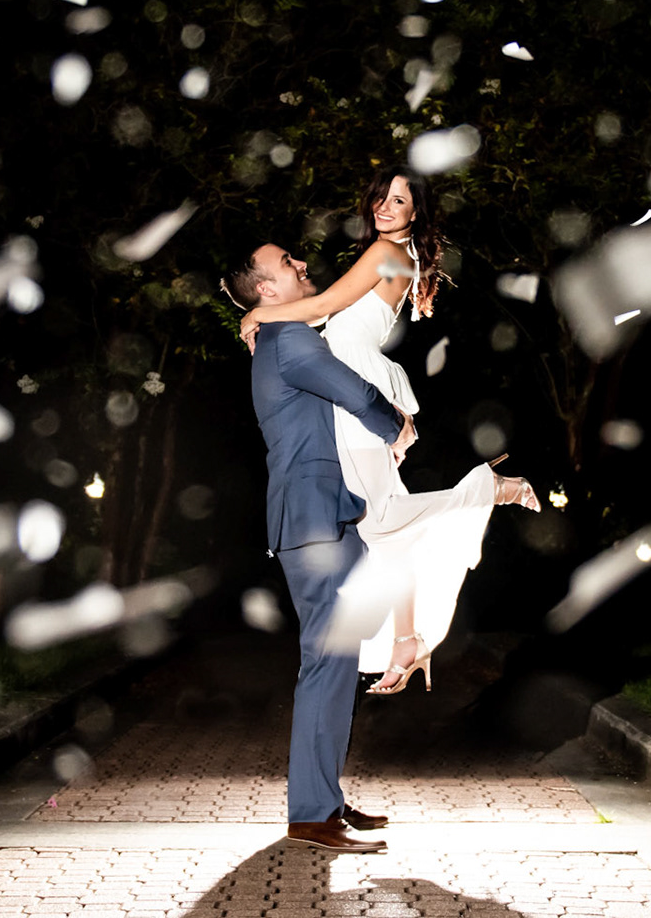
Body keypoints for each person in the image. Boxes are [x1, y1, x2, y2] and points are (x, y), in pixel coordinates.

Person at [239, 169, 539, 696]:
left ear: (414, 211)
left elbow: (321, 308)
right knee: (386, 531)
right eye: (381, 196)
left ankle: (490, 488)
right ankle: (406, 639)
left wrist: (256, 314)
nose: (385, 206)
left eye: (399, 200)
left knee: (379, 523)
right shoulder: (399, 254)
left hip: (357, 383)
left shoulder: (386, 252)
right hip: (364, 379)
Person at [224, 240, 415, 855]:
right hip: (312, 525)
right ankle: (310, 812)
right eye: (288, 265)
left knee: (337, 661)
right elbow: (354, 391)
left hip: (331, 521)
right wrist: (397, 425)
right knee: (325, 665)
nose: (302, 265)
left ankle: (324, 796)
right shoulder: (289, 341)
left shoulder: (279, 334)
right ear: (267, 289)